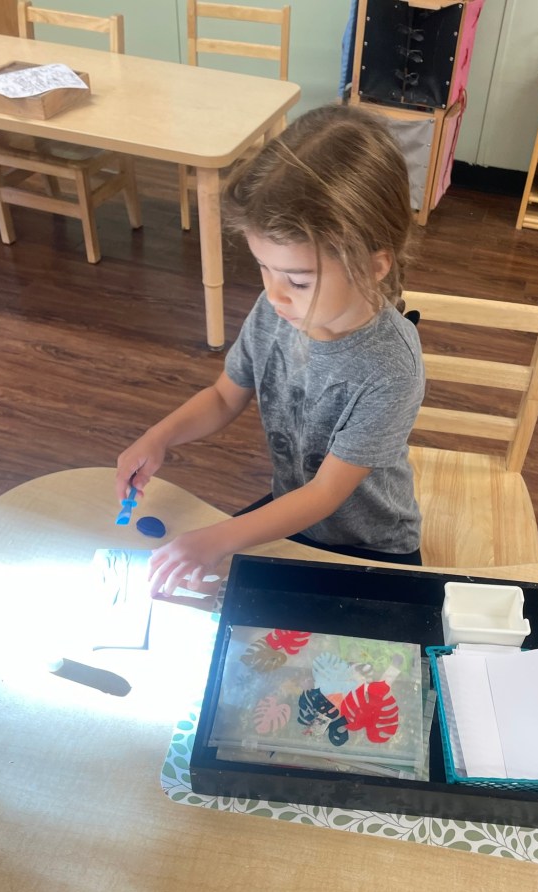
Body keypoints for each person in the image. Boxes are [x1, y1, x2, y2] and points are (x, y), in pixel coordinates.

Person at [116, 103, 425, 597]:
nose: (275, 294)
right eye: (264, 268)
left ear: (373, 266)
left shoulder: (391, 365)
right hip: (291, 516)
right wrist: (160, 437)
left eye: (298, 281)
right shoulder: (275, 310)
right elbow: (224, 396)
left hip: (369, 548)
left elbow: (326, 493)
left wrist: (218, 538)